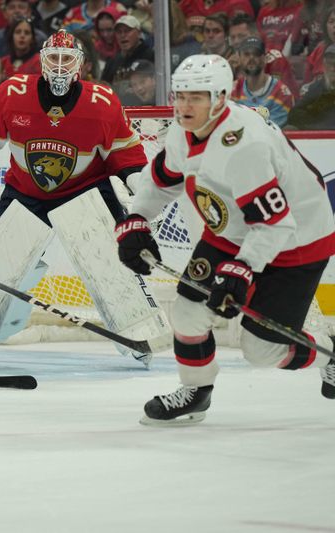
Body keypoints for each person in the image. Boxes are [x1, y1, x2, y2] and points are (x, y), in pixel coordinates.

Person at [116, 54, 335, 426]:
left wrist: (242, 269)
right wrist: (137, 219)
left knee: (262, 351)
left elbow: (276, 225)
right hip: (231, 233)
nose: (185, 106)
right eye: (180, 95)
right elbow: (162, 178)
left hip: (296, 241)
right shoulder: (182, 131)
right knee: (186, 312)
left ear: (219, 97)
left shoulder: (244, 145)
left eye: (196, 97)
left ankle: (328, 353)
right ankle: (196, 391)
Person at [0, 30, 153, 365]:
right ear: (41, 61)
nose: (58, 66)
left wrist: (140, 187)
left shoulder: (102, 103)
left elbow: (128, 158)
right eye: (52, 58)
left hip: (86, 189)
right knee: (1, 267)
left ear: (79, 65)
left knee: (108, 260)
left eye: (66, 59)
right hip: (25, 192)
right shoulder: (12, 93)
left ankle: (137, 328)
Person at [230, 36, 295, 127]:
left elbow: (273, 130)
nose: (251, 58)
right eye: (246, 54)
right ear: (239, 58)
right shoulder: (232, 90)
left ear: (265, 58)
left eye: (256, 54)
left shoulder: (281, 93)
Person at [286, 44, 335, 130]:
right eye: (329, 64)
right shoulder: (317, 87)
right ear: (324, 65)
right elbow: (294, 115)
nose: (332, 69)